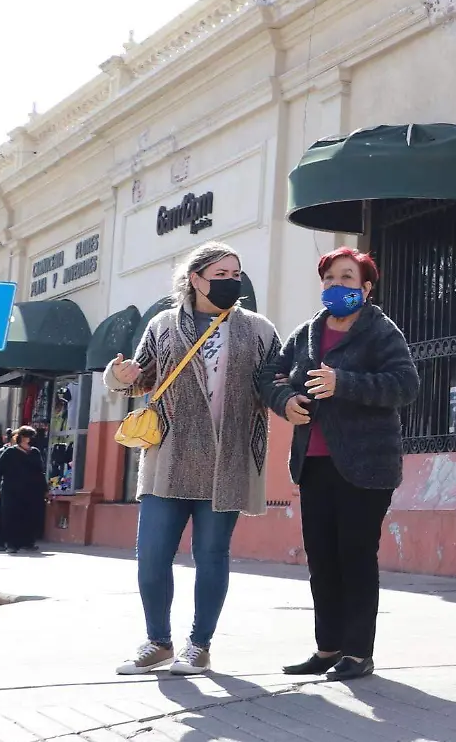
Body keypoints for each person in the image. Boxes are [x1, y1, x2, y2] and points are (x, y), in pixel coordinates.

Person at [107, 241, 277, 676]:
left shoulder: (258, 329)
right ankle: (157, 641)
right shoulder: (163, 325)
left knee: (212, 554)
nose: (229, 281)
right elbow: (137, 378)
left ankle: (198, 646)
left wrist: (290, 398)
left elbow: (273, 383)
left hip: (227, 459)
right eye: (219, 274)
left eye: (234, 274)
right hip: (170, 457)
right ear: (195, 278)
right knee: (151, 556)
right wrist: (119, 375)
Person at [260, 247, 419, 682]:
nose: (337, 286)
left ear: (366, 288)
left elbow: (405, 385)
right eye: (330, 278)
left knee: (355, 556)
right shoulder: (307, 333)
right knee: (322, 559)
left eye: (348, 278)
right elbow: (270, 376)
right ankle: (327, 648)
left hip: (366, 467)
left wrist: (342, 383)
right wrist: (285, 401)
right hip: (313, 463)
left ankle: (358, 653)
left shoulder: (380, 331)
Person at [0, 426, 49, 553]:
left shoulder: (35, 452)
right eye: (29, 436)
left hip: (31, 491)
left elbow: (40, 472)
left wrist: (45, 489)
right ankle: (10, 544)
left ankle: (28, 542)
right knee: (11, 516)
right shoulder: (10, 452)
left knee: (29, 516)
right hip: (12, 490)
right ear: (22, 437)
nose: (31, 439)